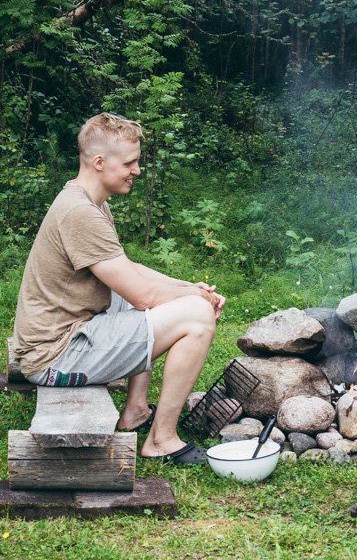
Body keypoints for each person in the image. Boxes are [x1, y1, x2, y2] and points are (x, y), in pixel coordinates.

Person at [11, 112, 225, 465]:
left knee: (148, 298)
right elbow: (145, 296)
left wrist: (188, 286)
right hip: (54, 355)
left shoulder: (90, 202)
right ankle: (162, 440)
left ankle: (136, 411)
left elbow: (127, 270)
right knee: (198, 317)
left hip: (63, 336)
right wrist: (197, 299)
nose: (137, 170)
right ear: (99, 162)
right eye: (130, 162)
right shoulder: (79, 213)